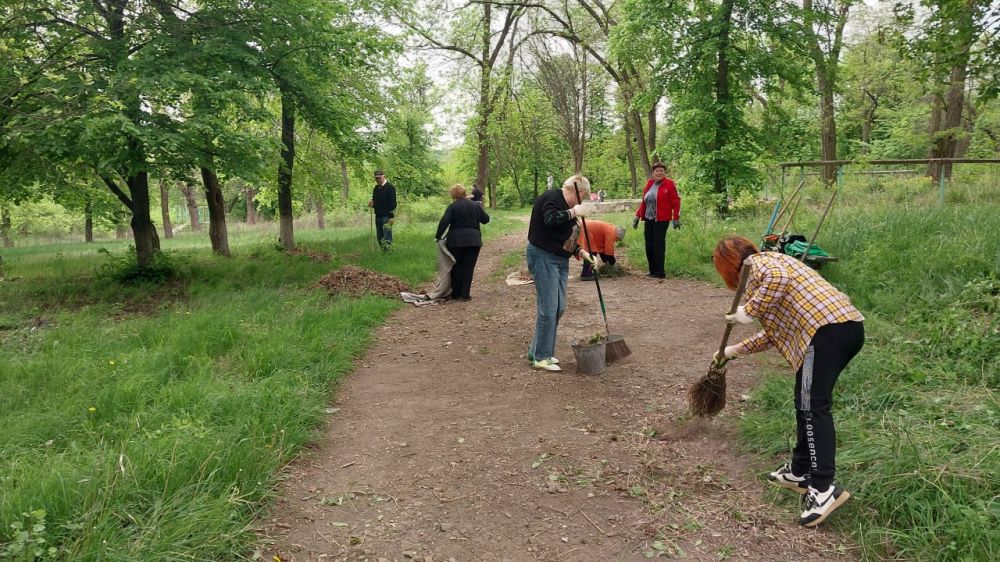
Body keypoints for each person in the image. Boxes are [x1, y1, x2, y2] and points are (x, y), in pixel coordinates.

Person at [711, 236, 865, 528]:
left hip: (826, 332)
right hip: (839, 330)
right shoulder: (768, 273)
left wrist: (747, 313)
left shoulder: (760, 263)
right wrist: (732, 351)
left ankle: (823, 488)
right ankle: (799, 471)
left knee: (812, 405)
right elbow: (774, 333)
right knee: (804, 400)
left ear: (729, 265)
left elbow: (777, 279)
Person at [526, 174, 596, 372]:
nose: (581, 202)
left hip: (560, 258)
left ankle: (536, 350)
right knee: (548, 308)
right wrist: (574, 212)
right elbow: (550, 219)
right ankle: (541, 357)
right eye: (583, 197)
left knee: (559, 307)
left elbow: (564, 238)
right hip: (543, 256)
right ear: (579, 192)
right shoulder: (552, 197)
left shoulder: (567, 208)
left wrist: (582, 252)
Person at [435, 184, 490, 301]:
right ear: (465, 193)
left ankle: (456, 294)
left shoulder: (453, 207)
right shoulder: (475, 206)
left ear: (453, 196)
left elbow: (444, 221)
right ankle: (465, 295)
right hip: (474, 240)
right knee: (468, 267)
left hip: (455, 241)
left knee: (456, 266)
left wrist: (438, 236)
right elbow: (486, 219)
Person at [633, 162, 680, 278]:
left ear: (664, 172)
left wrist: (676, 218)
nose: (659, 173)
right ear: (653, 173)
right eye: (657, 171)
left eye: (661, 171)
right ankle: (652, 271)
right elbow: (644, 202)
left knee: (658, 246)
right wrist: (637, 216)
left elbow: (676, 202)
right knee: (649, 245)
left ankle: (660, 272)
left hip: (661, 220)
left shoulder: (669, 184)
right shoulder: (650, 183)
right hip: (649, 219)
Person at [369, 170, 397, 252]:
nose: (378, 180)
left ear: (383, 176)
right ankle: (383, 252)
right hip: (378, 215)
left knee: (387, 236)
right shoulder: (376, 188)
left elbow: (393, 203)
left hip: (387, 216)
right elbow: (375, 201)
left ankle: (388, 253)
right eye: (376, 178)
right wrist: (372, 204)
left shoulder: (390, 187)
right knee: (379, 236)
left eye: (379, 178)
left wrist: (391, 217)